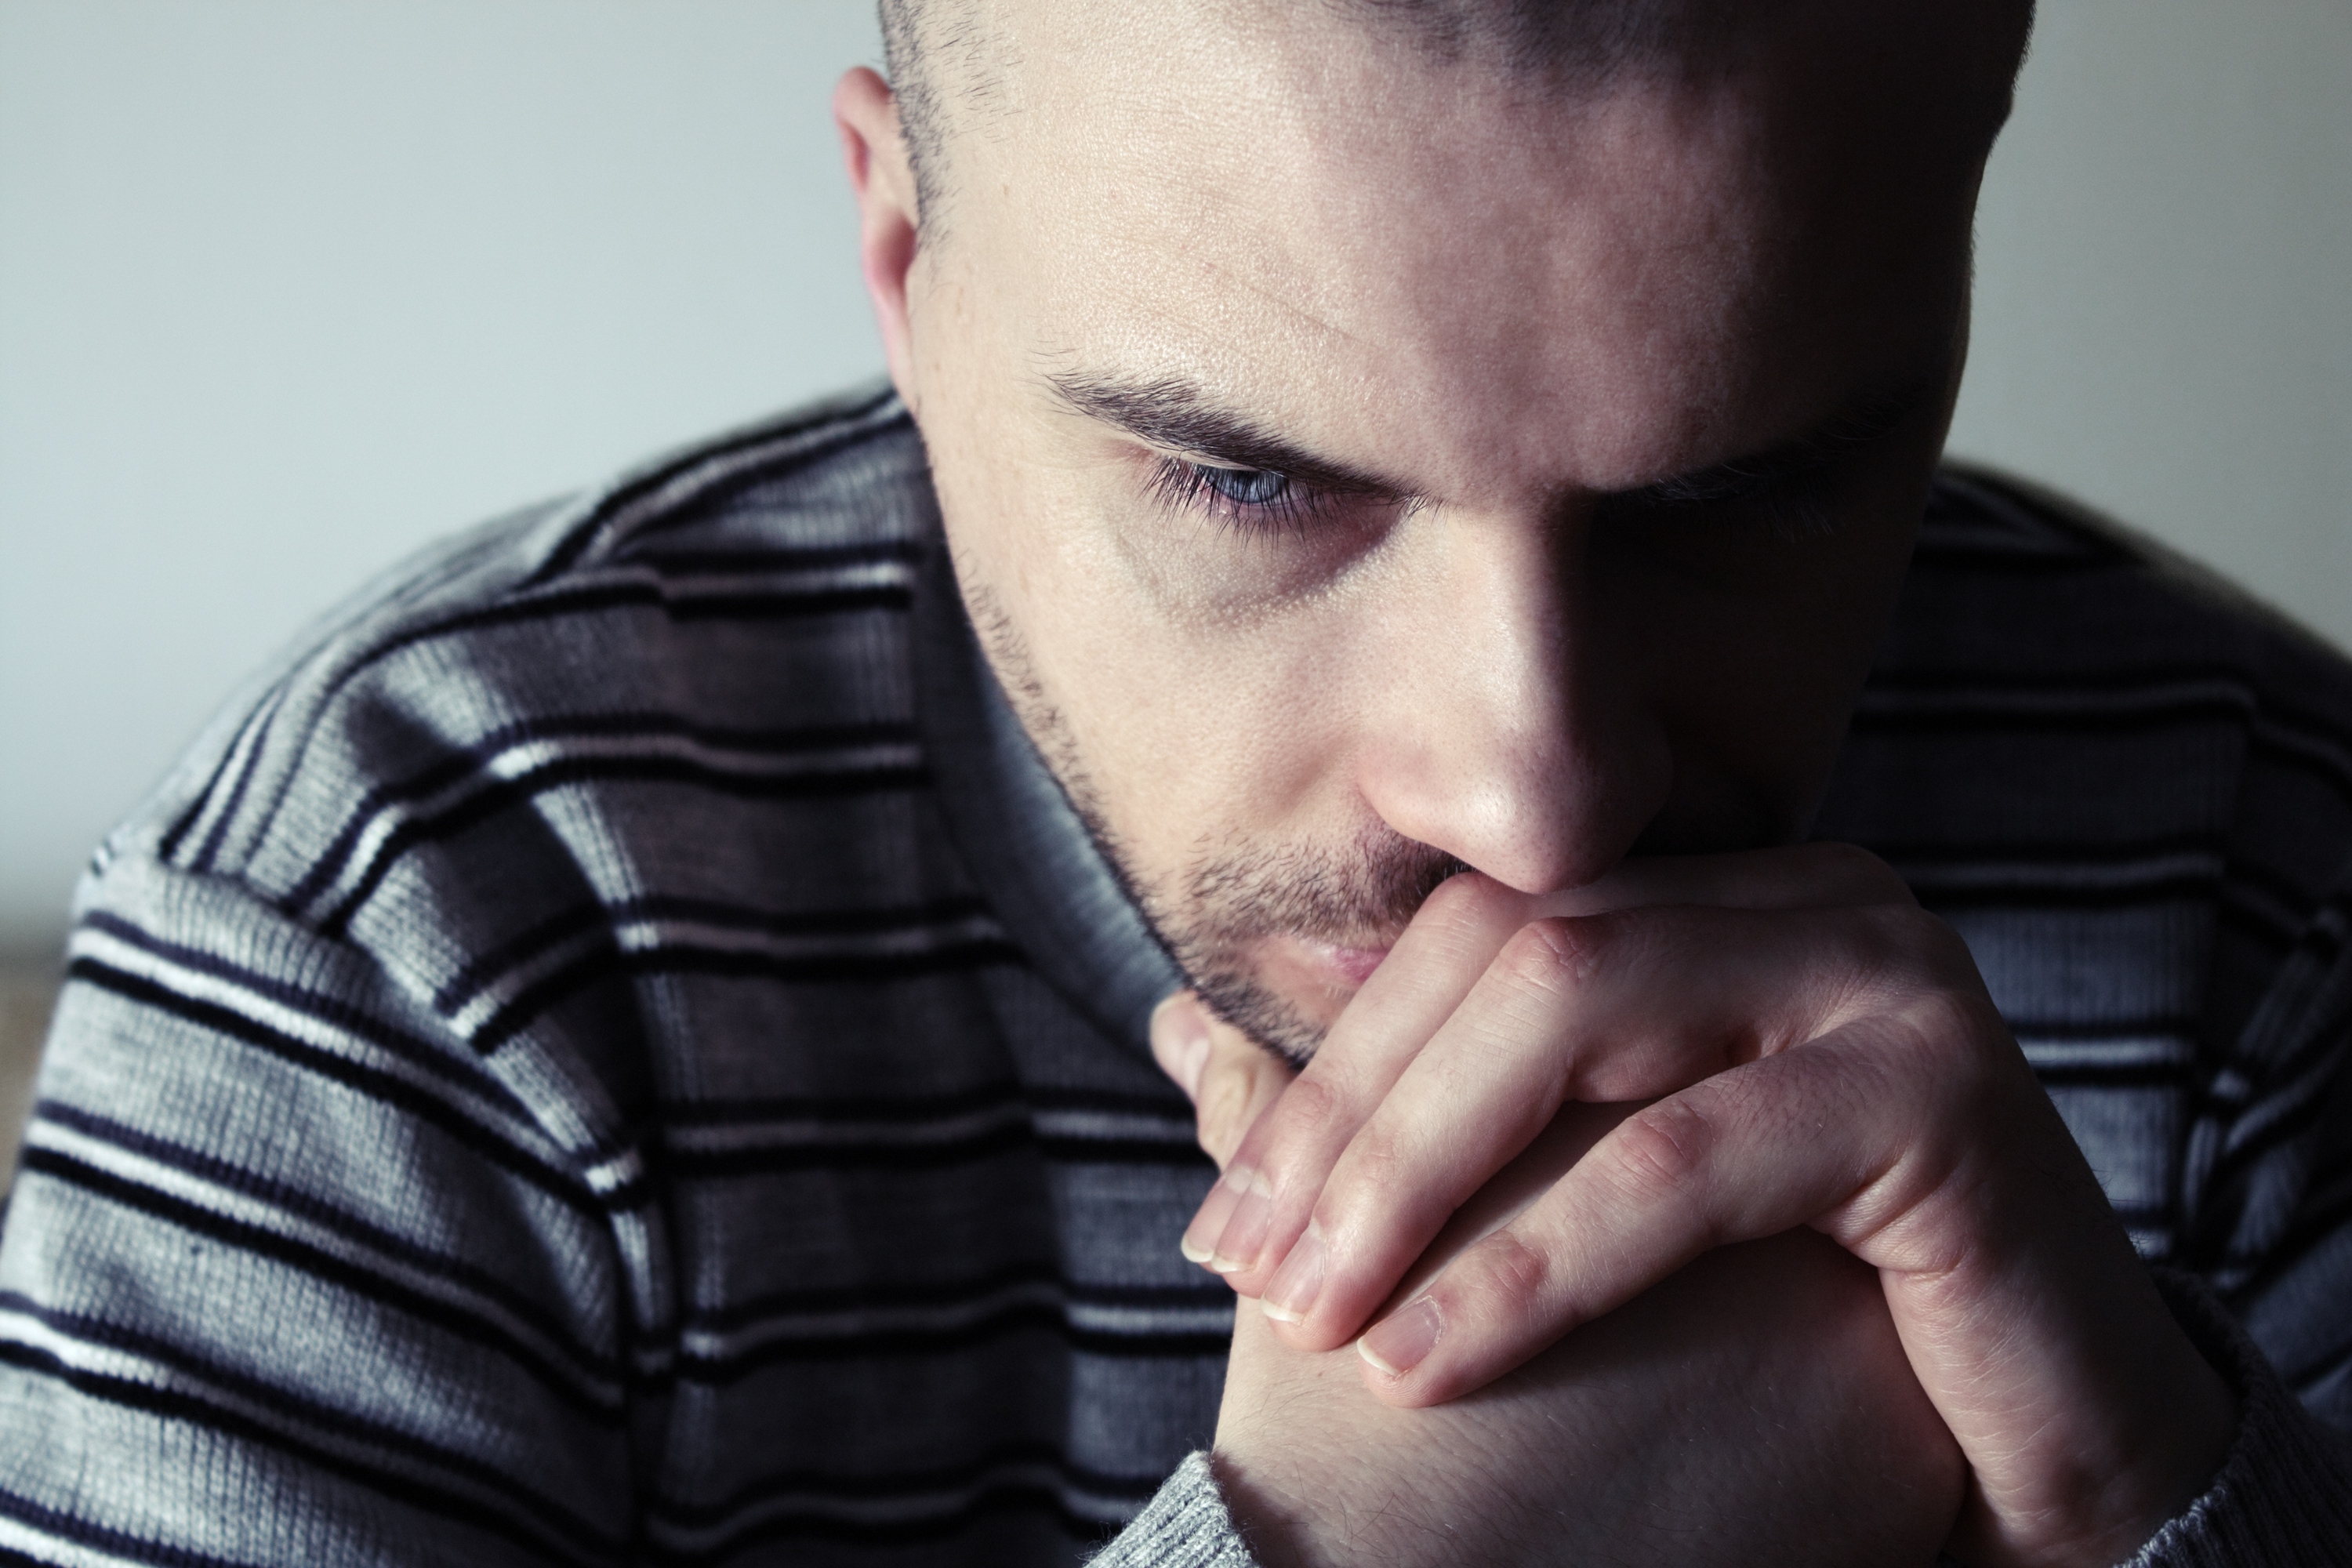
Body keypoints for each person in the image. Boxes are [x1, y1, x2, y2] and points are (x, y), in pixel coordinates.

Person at [1, 0, 2347, 1563]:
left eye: (1747, 492)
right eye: (1249, 483)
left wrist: (2169, 1495)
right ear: (905, 263)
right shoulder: (391, 938)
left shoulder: (2280, 886)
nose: (1528, 798)